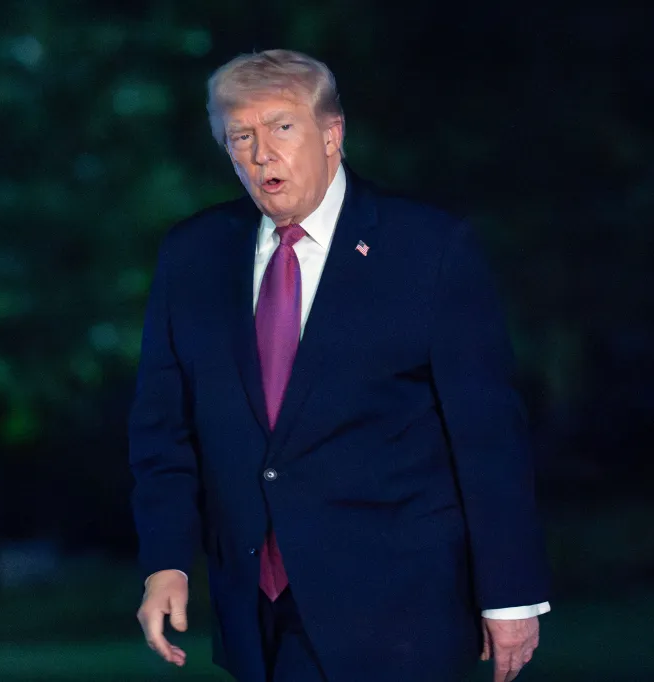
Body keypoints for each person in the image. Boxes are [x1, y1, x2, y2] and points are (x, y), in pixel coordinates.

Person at [130, 49, 552, 682]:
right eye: (240, 136)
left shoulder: (429, 249)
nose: (261, 152)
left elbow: (488, 437)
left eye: (281, 126)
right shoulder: (194, 254)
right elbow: (164, 427)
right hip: (257, 607)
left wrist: (511, 594)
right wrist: (167, 561)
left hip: (401, 608)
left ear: (332, 134)